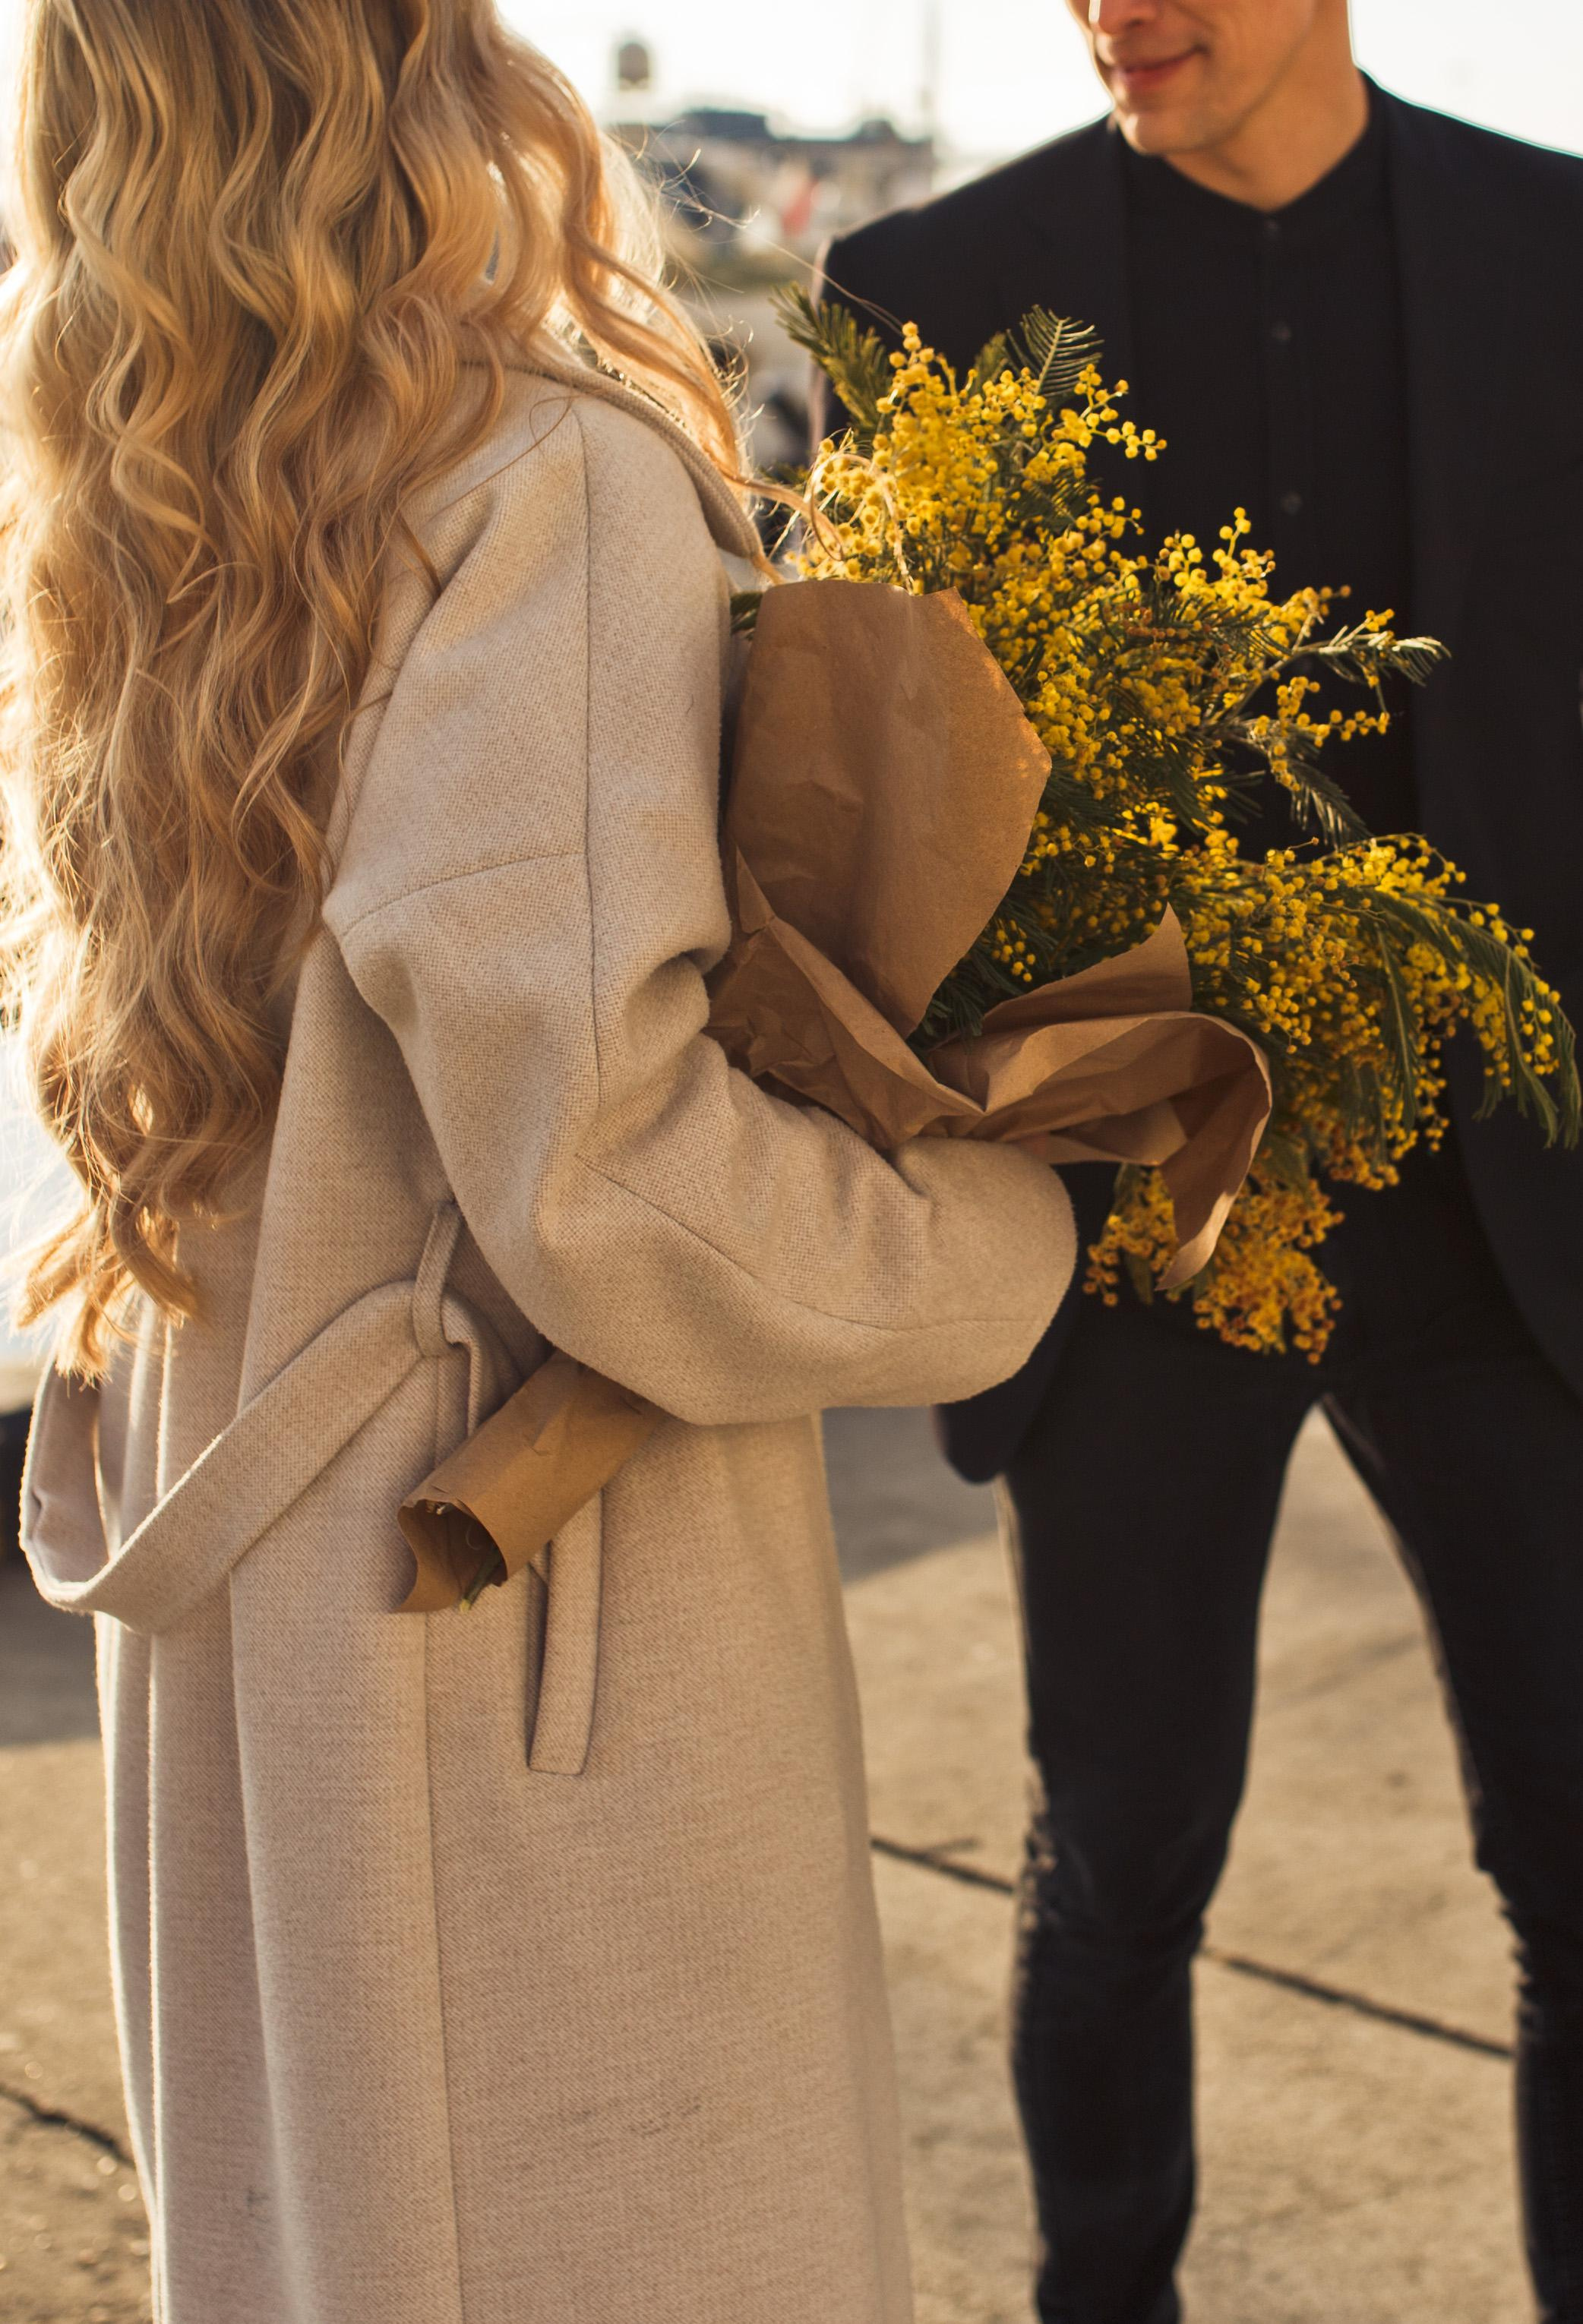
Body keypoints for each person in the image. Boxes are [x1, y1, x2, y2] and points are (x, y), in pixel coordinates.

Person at [2, 6, 1079, 2320]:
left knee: (330, 2229)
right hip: (495, 1617)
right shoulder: (524, 471)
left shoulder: (132, 468)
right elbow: (606, 1175)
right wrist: (998, 1228)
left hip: (257, 1540)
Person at [819, 2, 1583, 2319]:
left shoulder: (1553, 246)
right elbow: (847, 757)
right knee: (1121, 1853)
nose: (1111, 12)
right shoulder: (921, 289)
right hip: (1137, 1208)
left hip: (1504, 1211)